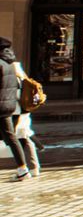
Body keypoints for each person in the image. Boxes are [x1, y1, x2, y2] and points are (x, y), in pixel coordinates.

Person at [0, 40, 39, 180]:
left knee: (15, 137)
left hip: (5, 106)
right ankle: (24, 168)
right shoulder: (11, 64)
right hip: (9, 106)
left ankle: (25, 168)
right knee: (14, 137)